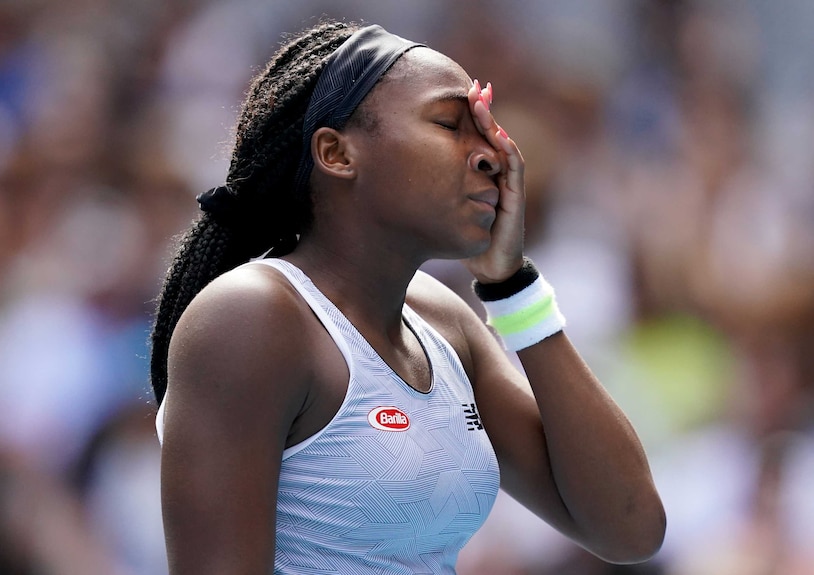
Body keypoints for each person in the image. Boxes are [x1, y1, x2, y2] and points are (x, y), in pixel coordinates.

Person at [149, 20, 666, 574]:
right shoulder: (252, 316)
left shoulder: (445, 323)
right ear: (337, 153)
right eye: (450, 124)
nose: (493, 154)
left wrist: (512, 288)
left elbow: (630, 526)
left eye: (488, 129)